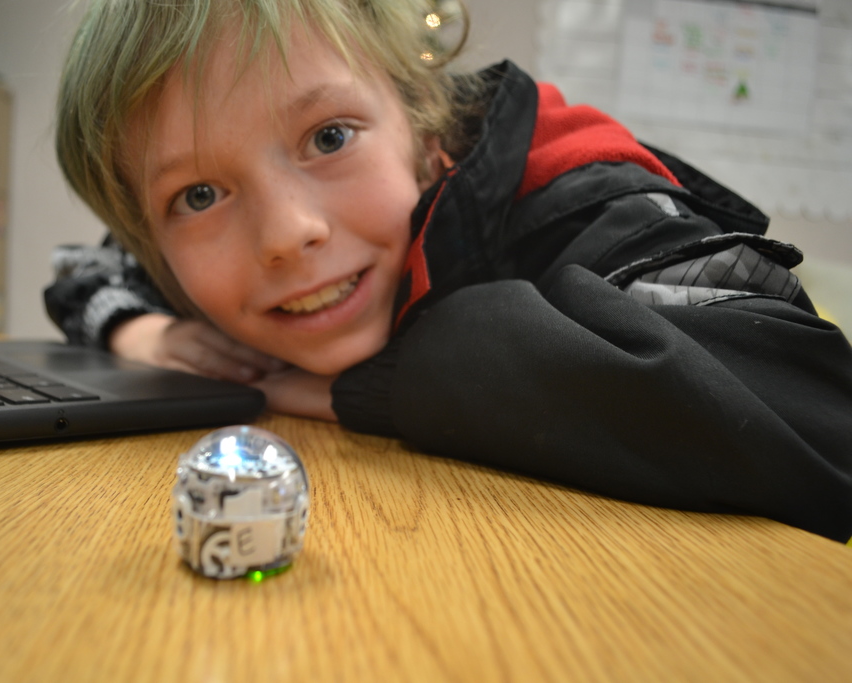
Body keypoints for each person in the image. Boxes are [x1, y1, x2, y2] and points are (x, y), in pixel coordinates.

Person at [46, 0, 852, 542]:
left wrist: (386, 385)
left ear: (425, 124)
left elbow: (821, 419)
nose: (288, 235)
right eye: (198, 193)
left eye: (329, 137)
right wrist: (140, 327)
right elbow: (85, 267)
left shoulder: (588, 203)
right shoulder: (197, 263)